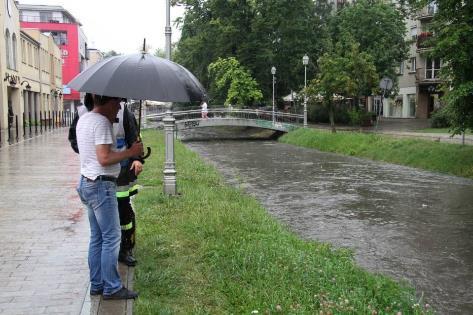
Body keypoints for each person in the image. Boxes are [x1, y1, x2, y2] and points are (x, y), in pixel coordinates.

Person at [76, 94, 143, 300]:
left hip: (86, 182)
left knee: (97, 237)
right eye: (118, 104)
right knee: (111, 237)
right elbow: (104, 158)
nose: (119, 109)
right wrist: (130, 151)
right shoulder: (102, 123)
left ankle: (97, 284)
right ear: (110, 102)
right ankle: (112, 287)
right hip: (101, 186)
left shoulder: (84, 119)